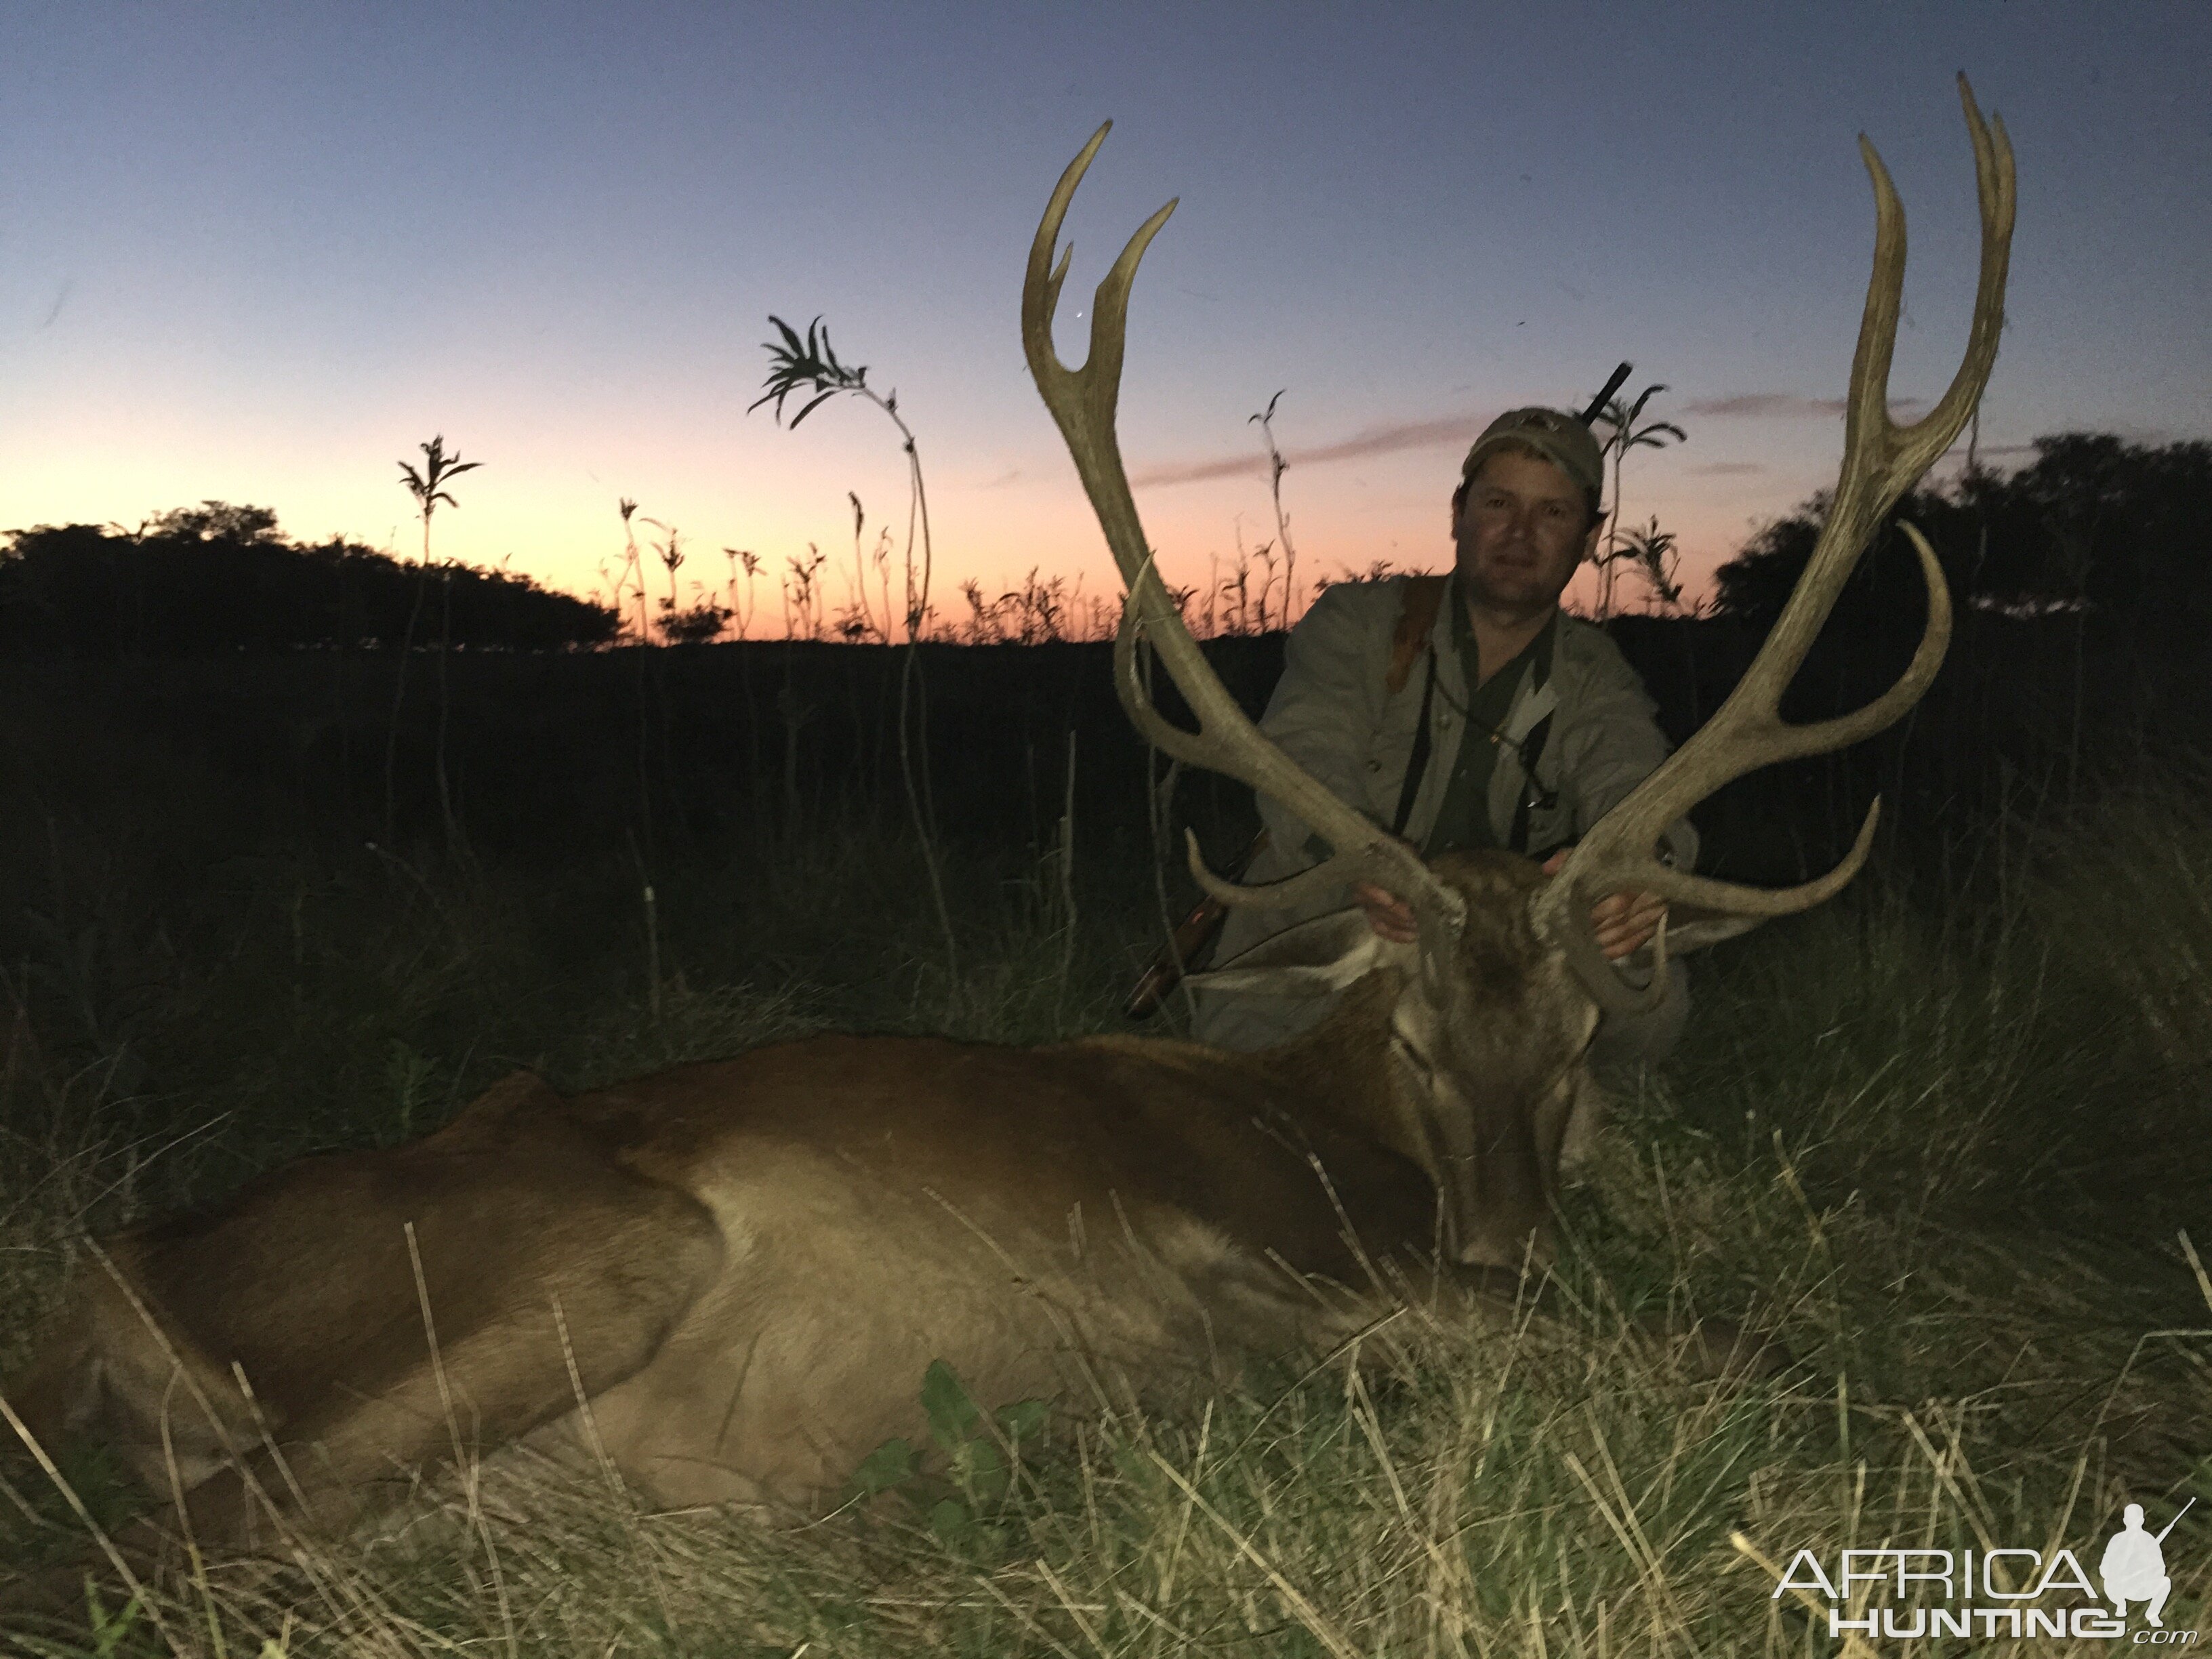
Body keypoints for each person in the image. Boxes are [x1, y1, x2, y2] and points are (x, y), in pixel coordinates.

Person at [1191, 405, 1694, 1061]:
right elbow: (1303, 755)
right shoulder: (1360, 622)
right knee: (1274, 915)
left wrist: (1635, 868)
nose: (1519, 533)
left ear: (1590, 536)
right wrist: (1362, 864)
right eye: (1498, 503)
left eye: (1553, 514)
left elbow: (1636, 777)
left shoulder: (1596, 674)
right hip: (1374, 909)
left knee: (1651, 990)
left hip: (1513, 929)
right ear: (1457, 512)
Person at [2100, 1504, 2172, 1627]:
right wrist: (2119, 1570)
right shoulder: (2117, 1539)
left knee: (2165, 1582)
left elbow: (2161, 1568)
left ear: (2142, 1521)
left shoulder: (2149, 1540)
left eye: (2136, 1520)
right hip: (2120, 1587)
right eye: (2130, 1520)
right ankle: (2120, 1605)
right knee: (2109, 1582)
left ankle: (2153, 1614)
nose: (2133, 1524)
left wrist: (2148, 1565)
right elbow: (2104, 1568)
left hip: (2142, 1587)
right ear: (2125, 1521)